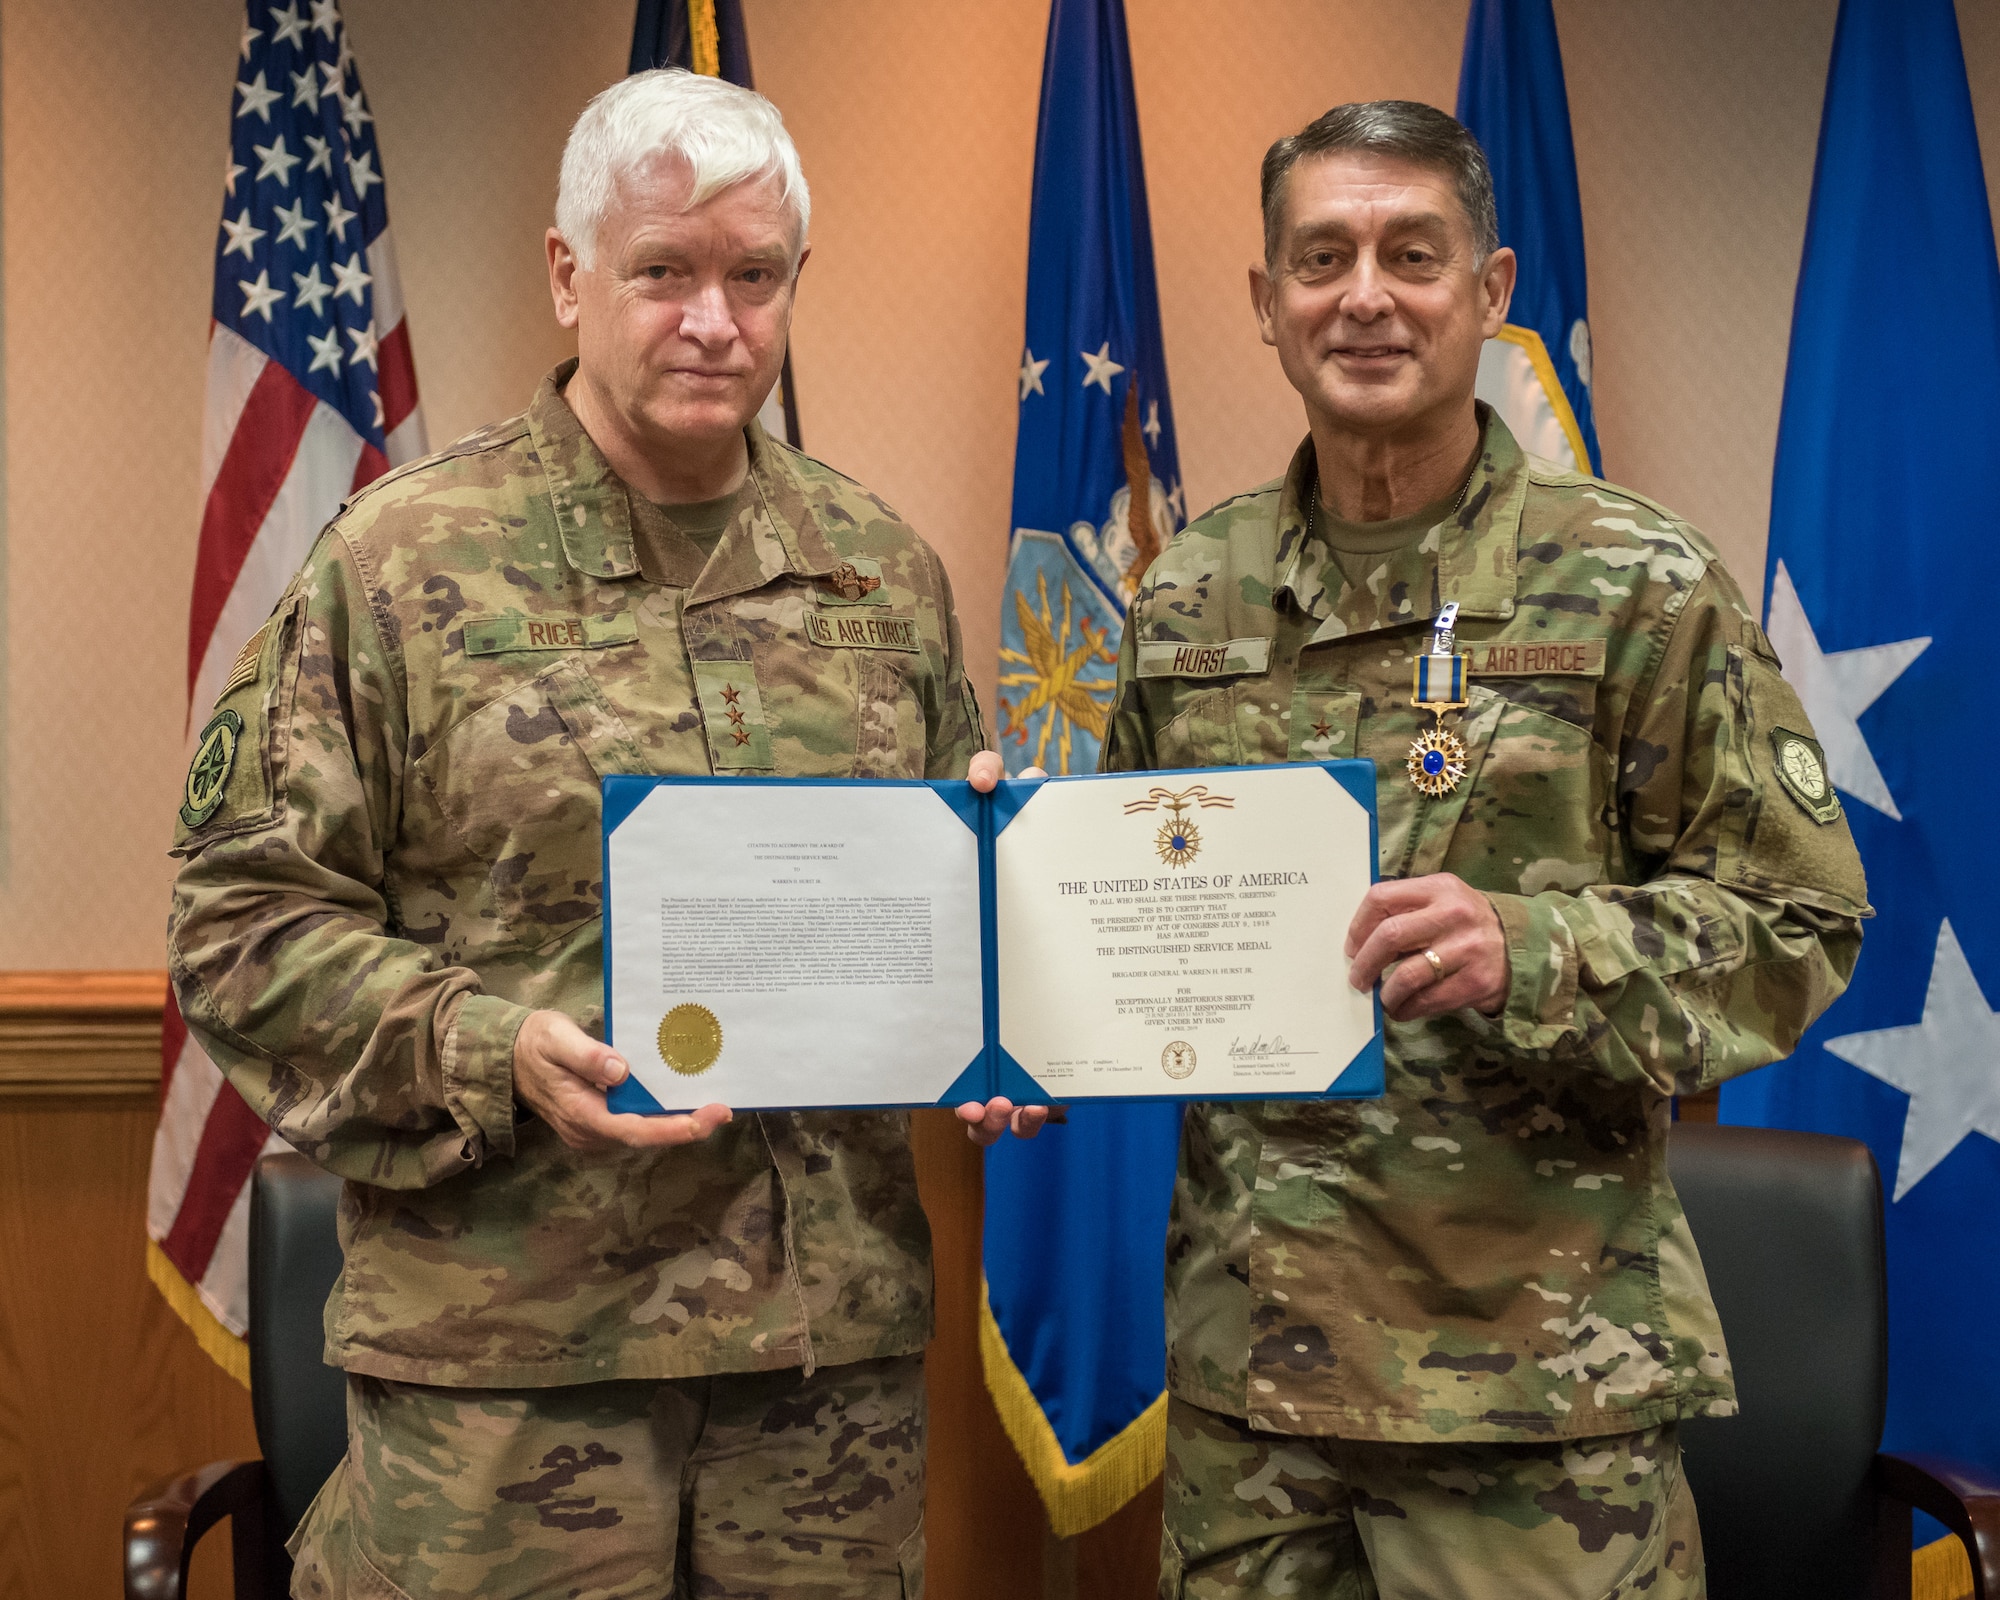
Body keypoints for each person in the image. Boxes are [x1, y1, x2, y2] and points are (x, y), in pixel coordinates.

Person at [169, 68, 1028, 1600]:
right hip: (510, 1376)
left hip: (818, 1385)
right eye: (665, 272)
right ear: (570, 277)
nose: (715, 319)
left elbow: (945, 907)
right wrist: (486, 1046)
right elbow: (238, 923)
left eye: (753, 277)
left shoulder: (881, 574)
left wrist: (1003, 1038)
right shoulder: (399, 562)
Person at [1095, 101, 1868, 1598]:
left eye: (1411, 252)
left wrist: (1540, 948)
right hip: (1250, 1399)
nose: (1365, 294)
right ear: (1265, 303)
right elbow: (1134, 907)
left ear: (1491, 288)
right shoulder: (1191, 592)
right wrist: (1016, 1027)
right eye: (1321, 257)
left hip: (1539, 1404)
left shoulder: (1636, 581)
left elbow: (1800, 924)